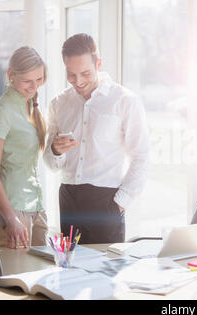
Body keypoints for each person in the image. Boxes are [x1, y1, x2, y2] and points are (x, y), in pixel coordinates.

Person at [43, 33, 149, 244]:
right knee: (71, 270)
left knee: (107, 271)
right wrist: (55, 151)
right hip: (68, 198)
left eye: (85, 73)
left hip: (107, 202)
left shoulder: (124, 101)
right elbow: (51, 162)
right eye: (71, 75)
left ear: (98, 63)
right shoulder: (59, 104)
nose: (78, 81)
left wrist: (119, 205)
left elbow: (141, 157)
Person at [0, 46, 48, 249]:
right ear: (11, 75)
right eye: (28, 80)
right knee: (16, 279)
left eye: (39, 79)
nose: (34, 86)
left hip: (33, 206)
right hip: (11, 210)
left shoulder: (30, 105)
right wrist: (11, 219)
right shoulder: (2, 110)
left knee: (38, 276)